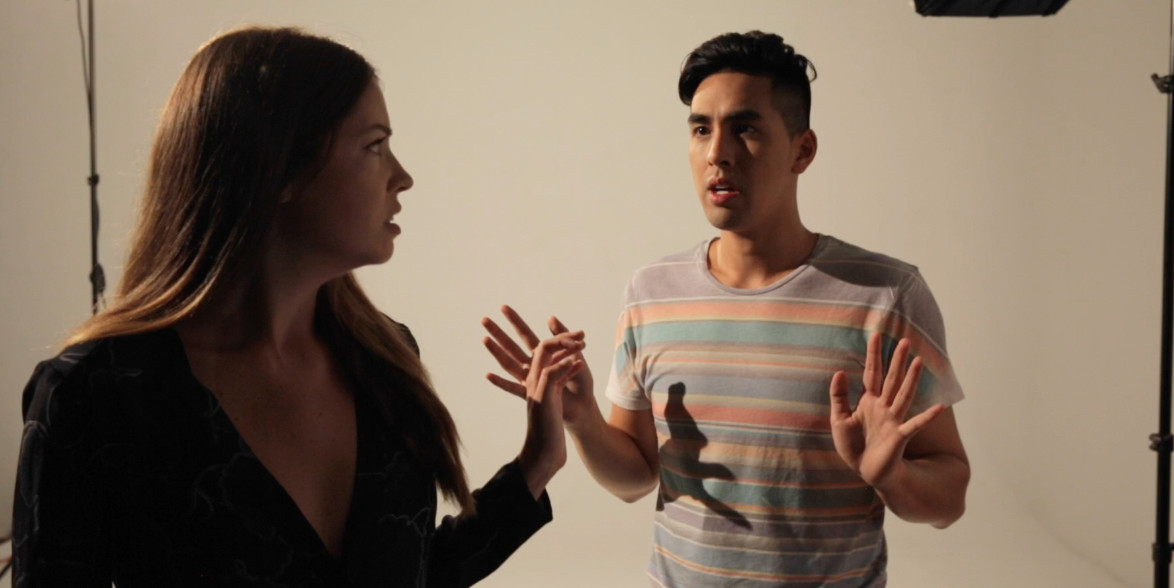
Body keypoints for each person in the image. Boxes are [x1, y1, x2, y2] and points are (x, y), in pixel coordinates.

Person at [12, 26, 583, 588]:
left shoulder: (384, 361)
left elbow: (407, 571)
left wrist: (536, 464)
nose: (403, 177)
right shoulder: (95, 393)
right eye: (374, 146)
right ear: (279, 169)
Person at [482, 31, 970, 587]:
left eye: (745, 128)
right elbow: (635, 479)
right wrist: (584, 420)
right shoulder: (652, 292)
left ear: (803, 150)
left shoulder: (886, 294)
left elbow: (949, 498)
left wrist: (894, 478)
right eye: (701, 129)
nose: (717, 153)